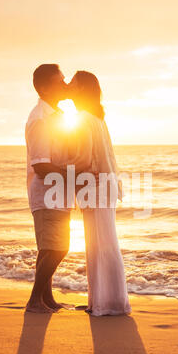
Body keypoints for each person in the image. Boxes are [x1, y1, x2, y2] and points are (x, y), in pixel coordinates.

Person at [52, 71, 131, 316]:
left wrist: (59, 164)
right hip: (104, 184)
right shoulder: (96, 118)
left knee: (98, 244)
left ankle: (104, 304)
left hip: (94, 185)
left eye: (73, 83)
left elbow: (84, 159)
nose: (69, 85)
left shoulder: (84, 119)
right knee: (105, 243)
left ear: (81, 90)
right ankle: (106, 302)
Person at [25, 64, 73, 313]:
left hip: (58, 192)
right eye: (60, 81)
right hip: (46, 193)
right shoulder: (41, 119)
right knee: (57, 248)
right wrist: (74, 176)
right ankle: (34, 301)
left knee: (48, 249)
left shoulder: (56, 116)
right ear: (43, 87)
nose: (65, 85)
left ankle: (47, 299)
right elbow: (41, 164)